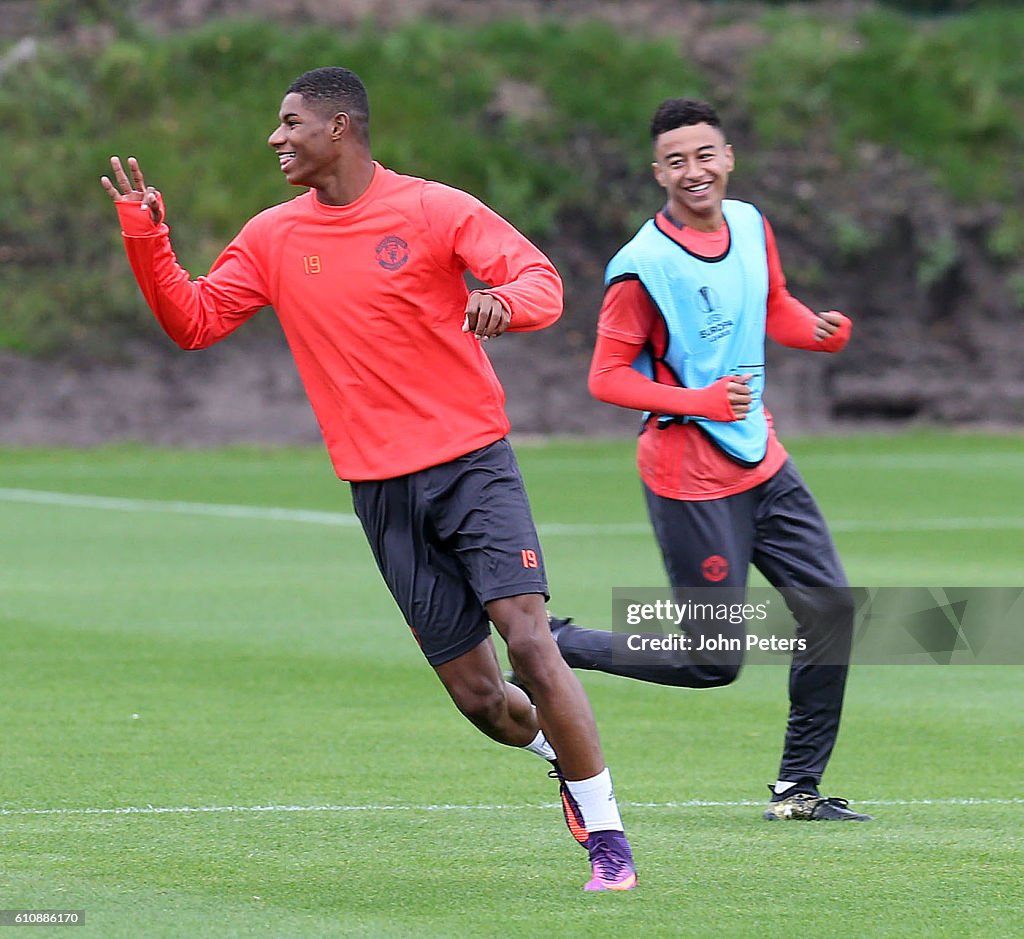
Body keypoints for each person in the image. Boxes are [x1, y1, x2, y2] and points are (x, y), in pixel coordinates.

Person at [100, 66, 637, 889]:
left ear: (340, 128)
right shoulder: (274, 236)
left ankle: (608, 841)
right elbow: (195, 321)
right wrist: (146, 238)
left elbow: (542, 283)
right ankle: (559, 755)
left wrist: (505, 302)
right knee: (482, 701)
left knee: (529, 638)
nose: (277, 138)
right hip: (381, 493)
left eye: (290, 123)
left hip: (472, 464)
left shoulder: (433, 208)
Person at [549, 97, 870, 821]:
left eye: (705, 155)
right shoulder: (642, 266)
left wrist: (814, 331)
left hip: (763, 459)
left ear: (727, 159)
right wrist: (699, 399)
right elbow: (606, 377)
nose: (693, 171)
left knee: (831, 611)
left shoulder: (752, 224)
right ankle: (557, 642)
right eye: (676, 161)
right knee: (712, 659)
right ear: (657, 172)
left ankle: (798, 790)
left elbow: (773, 303)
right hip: (688, 476)